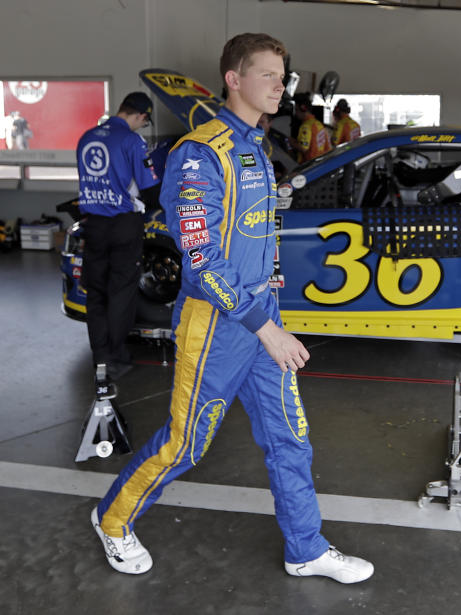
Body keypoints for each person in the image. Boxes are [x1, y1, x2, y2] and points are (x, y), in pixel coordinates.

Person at [90, 32, 374, 584]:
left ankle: (306, 547)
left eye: (282, 76)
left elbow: (251, 238)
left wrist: (268, 289)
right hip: (217, 327)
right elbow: (201, 262)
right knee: (184, 444)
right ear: (234, 79)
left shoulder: (256, 148)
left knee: (291, 439)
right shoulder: (200, 153)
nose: (279, 85)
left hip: (261, 319)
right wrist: (266, 327)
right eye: (268, 74)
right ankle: (112, 519)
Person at [75, 91, 160, 378]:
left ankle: (99, 357)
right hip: (124, 224)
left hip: (94, 225)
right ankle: (116, 357)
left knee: (96, 293)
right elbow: (149, 189)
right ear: (141, 116)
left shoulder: (87, 137)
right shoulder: (131, 141)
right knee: (121, 292)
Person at [293, 94, 331, 163]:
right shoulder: (319, 124)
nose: (296, 113)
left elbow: (303, 148)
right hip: (320, 163)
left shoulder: (306, 126)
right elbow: (328, 147)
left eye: (296, 110)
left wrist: (291, 143)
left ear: (303, 109)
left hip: (308, 166)